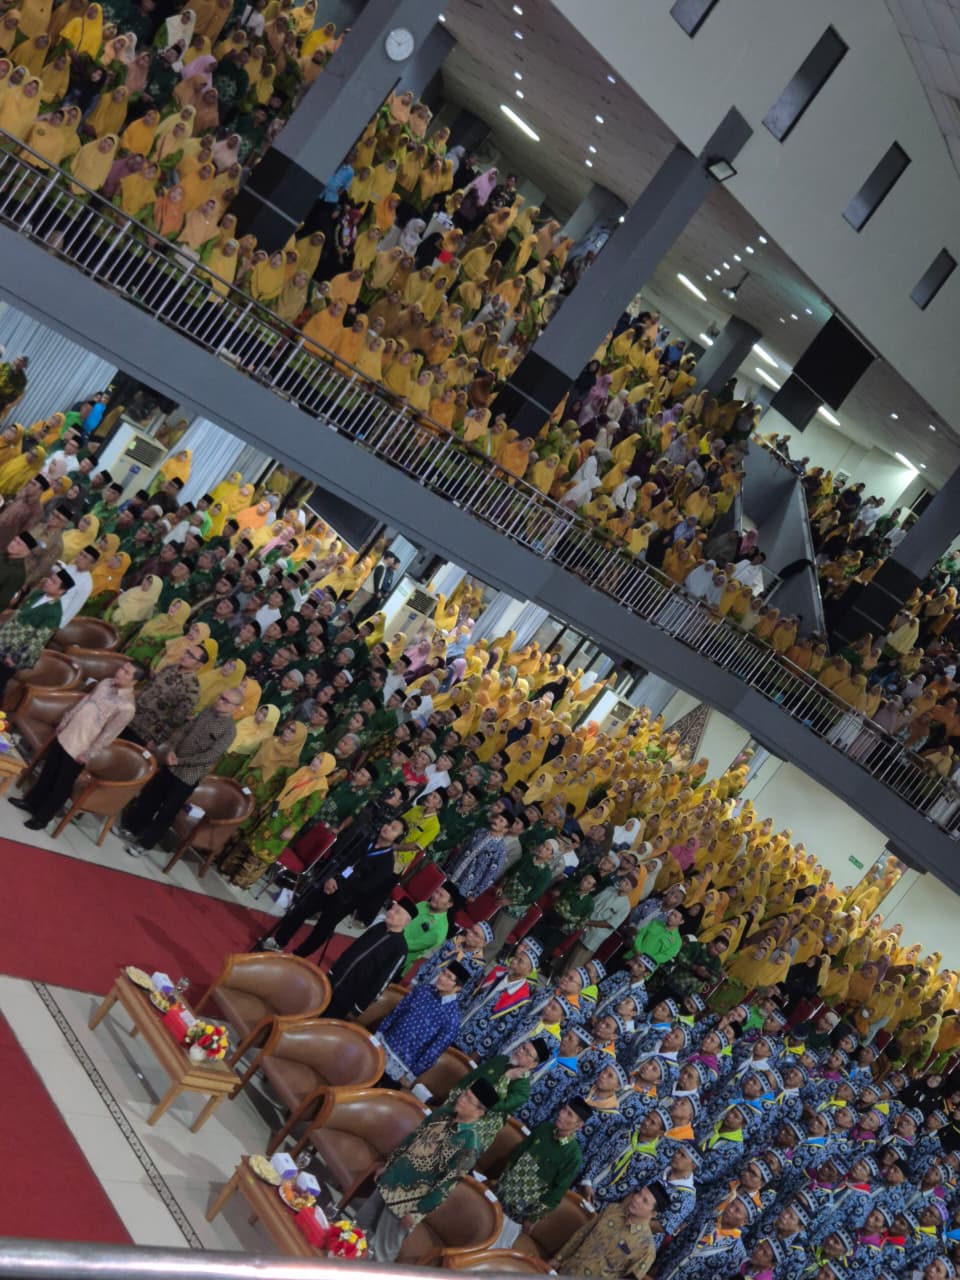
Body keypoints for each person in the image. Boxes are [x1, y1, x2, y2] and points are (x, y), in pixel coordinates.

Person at [356, 1077, 500, 1262]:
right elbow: (412, 1140)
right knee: (358, 1226)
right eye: (464, 1094)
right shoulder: (442, 1114)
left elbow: (446, 1186)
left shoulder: (469, 1145)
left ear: (479, 1112)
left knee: (381, 1253)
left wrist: (417, 1213)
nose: (461, 1099)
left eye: (468, 1099)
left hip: (408, 1201)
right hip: (392, 1178)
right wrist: (389, 1165)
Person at [257, 816, 407, 956]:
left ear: (397, 839)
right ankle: (278, 941)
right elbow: (343, 859)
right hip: (331, 883)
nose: (387, 827)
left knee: (322, 929)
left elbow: (366, 887)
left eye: (393, 829)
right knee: (301, 909)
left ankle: (298, 956)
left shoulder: (387, 863)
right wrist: (332, 877)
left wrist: (339, 884)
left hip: (346, 898)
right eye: (389, 824)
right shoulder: (365, 841)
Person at [12, 662, 137, 829]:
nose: (120, 672)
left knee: (62, 783)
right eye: (121, 668)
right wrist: (65, 721)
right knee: (49, 770)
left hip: (82, 746)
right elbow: (84, 702)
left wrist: (88, 753)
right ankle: (31, 803)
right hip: (68, 732)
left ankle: (43, 817)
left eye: (126, 672)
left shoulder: (127, 707)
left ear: (134, 681)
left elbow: (109, 735)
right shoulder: (106, 683)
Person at [123, 686, 242, 855]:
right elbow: (185, 730)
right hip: (172, 761)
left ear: (235, 708)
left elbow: (210, 756)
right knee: (151, 797)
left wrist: (181, 761)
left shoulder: (229, 731)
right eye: (221, 696)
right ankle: (132, 828)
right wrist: (172, 749)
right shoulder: (207, 711)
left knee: (167, 811)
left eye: (226, 701)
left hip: (188, 775)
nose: (220, 701)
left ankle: (145, 844)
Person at [494, 1098, 591, 1248]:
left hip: (523, 1207)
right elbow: (518, 1153)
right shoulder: (545, 1128)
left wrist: (533, 1217)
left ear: (579, 1125)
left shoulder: (573, 1156)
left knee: (499, 1243)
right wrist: (502, 1178)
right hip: (504, 1188)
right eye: (564, 1109)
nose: (562, 1115)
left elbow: (556, 1193)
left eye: (569, 1114)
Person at [379, 963, 470, 1087]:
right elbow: (398, 1010)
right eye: (443, 972)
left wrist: (412, 1075)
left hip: (402, 1065)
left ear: (458, 987)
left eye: (449, 977)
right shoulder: (423, 990)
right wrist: (379, 1032)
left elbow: (434, 1051)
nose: (441, 977)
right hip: (384, 1044)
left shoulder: (453, 1018)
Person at [551, 1183, 668, 1278]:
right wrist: (558, 1258)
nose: (637, 1199)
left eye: (644, 1201)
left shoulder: (646, 1248)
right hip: (565, 1272)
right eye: (639, 1194)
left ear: (653, 1214)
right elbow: (583, 1233)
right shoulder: (613, 1210)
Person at [325, 898, 416, 1020]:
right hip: (335, 979)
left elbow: (381, 983)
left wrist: (359, 1008)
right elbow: (353, 948)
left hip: (349, 997)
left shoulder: (400, 949)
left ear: (406, 922)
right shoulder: (379, 927)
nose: (390, 912)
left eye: (397, 912)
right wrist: (333, 971)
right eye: (392, 909)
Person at [0, 567, 73, 698]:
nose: (48, 581)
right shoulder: (38, 594)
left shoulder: (54, 613)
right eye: (50, 578)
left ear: (61, 591)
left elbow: (38, 641)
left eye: (53, 582)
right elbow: (18, 614)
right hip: (5, 637)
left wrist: (16, 658)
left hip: (14, 650)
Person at [123, 644, 207, 748]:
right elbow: (149, 686)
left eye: (191, 656)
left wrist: (157, 740)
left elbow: (176, 721)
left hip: (144, 732)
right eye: (187, 652)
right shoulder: (170, 668)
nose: (186, 656)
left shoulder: (192, 690)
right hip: (130, 716)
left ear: (199, 665)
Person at [355, 551, 400, 623]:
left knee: (371, 611)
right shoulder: (383, 567)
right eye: (397, 564)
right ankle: (356, 621)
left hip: (379, 594)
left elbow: (388, 584)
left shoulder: (390, 572)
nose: (398, 567)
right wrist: (379, 592)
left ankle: (361, 623)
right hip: (374, 592)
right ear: (391, 561)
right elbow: (379, 580)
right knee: (363, 608)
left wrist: (386, 592)